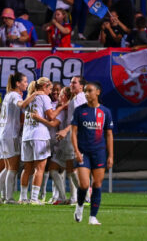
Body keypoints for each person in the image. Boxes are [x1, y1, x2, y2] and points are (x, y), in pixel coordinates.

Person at [0, 72, 44, 204]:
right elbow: (22, 105)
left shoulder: (8, 95)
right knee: (12, 167)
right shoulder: (14, 95)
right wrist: (34, 94)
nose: (26, 84)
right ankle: (9, 198)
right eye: (25, 82)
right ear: (18, 83)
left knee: (7, 167)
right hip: (9, 134)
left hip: (4, 134)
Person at [72, 81, 114, 225]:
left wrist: (111, 155)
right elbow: (73, 133)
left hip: (99, 152)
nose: (86, 93)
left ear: (98, 92)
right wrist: (76, 151)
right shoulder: (79, 110)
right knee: (84, 185)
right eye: (85, 91)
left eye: (89, 90)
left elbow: (109, 135)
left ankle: (93, 217)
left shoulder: (105, 112)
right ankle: (79, 205)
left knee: (97, 184)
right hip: (83, 152)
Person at [19, 77, 65, 205]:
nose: (51, 91)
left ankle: (23, 198)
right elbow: (51, 116)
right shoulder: (44, 98)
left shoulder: (29, 97)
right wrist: (61, 108)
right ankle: (34, 198)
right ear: (44, 87)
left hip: (26, 136)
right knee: (39, 168)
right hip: (39, 135)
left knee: (27, 168)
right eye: (50, 88)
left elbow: (22, 108)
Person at [56, 76, 88, 204]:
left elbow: (78, 119)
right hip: (72, 135)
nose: (71, 84)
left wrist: (65, 130)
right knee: (70, 168)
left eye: (74, 82)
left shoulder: (80, 98)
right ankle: (76, 197)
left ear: (81, 86)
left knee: (75, 168)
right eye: (70, 82)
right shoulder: (75, 98)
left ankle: (85, 196)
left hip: (76, 135)